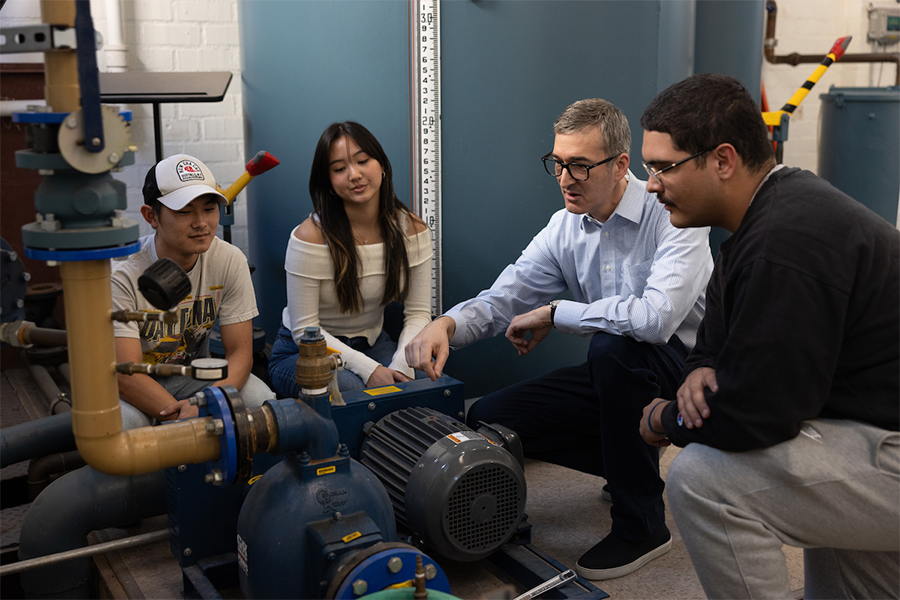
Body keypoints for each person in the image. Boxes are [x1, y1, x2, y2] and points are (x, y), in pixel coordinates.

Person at [405, 99, 714, 580]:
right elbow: (506, 296)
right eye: (558, 163)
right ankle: (631, 460)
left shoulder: (670, 213)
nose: (566, 178)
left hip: (684, 368)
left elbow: (655, 321)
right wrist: (447, 323)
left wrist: (557, 312)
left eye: (580, 166)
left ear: (619, 166)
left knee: (614, 348)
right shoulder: (564, 228)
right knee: (491, 419)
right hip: (616, 376)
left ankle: (644, 526)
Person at [639, 73, 900, 599]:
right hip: (866, 429)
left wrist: (661, 418)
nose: (650, 184)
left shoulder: (785, 242)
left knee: (705, 481)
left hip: (885, 447)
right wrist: (699, 371)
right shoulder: (767, 218)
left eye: (664, 167)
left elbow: (758, 416)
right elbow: (713, 341)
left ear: (723, 160)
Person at [267, 121, 432, 398]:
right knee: (349, 391)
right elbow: (304, 330)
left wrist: (404, 366)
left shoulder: (412, 230)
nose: (354, 175)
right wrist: (368, 370)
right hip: (303, 353)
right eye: (339, 169)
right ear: (329, 182)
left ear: (381, 166)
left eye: (362, 161)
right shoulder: (310, 237)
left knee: (425, 377)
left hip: (372, 343)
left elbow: (418, 314)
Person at [111, 154, 274, 430]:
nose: (201, 223)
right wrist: (187, 419)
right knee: (126, 426)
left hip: (194, 374)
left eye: (209, 209)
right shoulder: (123, 273)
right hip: (135, 384)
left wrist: (208, 403)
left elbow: (240, 355)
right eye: (184, 211)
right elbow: (126, 375)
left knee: (262, 400)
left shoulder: (229, 260)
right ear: (151, 216)